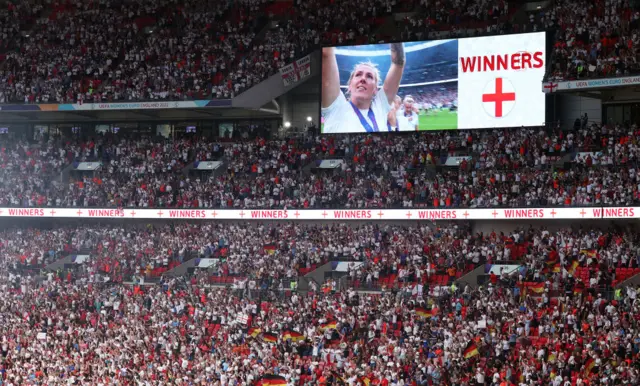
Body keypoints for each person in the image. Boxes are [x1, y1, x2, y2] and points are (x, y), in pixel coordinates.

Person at [321, 44, 405, 134]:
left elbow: (398, 63)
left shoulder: (380, 107)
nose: (363, 79)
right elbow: (326, 54)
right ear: (350, 85)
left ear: (375, 89)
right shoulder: (336, 107)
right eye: (358, 74)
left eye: (369, 76)